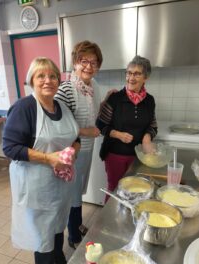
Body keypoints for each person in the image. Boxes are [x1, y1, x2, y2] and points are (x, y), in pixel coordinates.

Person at [2, 57, 80, 264]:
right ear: (32, 81)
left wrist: (72, 152)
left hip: (59, 182)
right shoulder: (24, 107)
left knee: (57, 222)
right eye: (41, 76)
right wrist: (49, 158)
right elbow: (10, 148)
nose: (48, 80)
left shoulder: (62, 107)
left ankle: (58, 258)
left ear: (58, 80)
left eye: (53, 75)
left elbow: (75, 138)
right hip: (36, 183)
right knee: (42, 230)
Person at [54, 40, 103, 249]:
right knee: (72, 193)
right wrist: (84, 131)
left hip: (87, 149)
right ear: (75, 62)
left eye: (94, 62)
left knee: (79, 189)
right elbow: (56, 123)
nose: (89, 66)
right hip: (71, 152)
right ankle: (73, 236)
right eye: (84, 61)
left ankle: (78, 224)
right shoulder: (66, 88)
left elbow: (92, 113)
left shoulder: (94, 87)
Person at [96, 55, 157, 202]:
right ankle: (109, 222)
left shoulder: (149, 101)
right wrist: (117, 134)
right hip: (115, 155)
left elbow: (152, 125)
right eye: (129, 73)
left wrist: (147, 137)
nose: (131, 77)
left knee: (137, 192)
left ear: (146, 77)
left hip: (138, 157)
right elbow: (100, 125)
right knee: (115, 189)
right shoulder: (115, 98)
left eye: (137, 74)